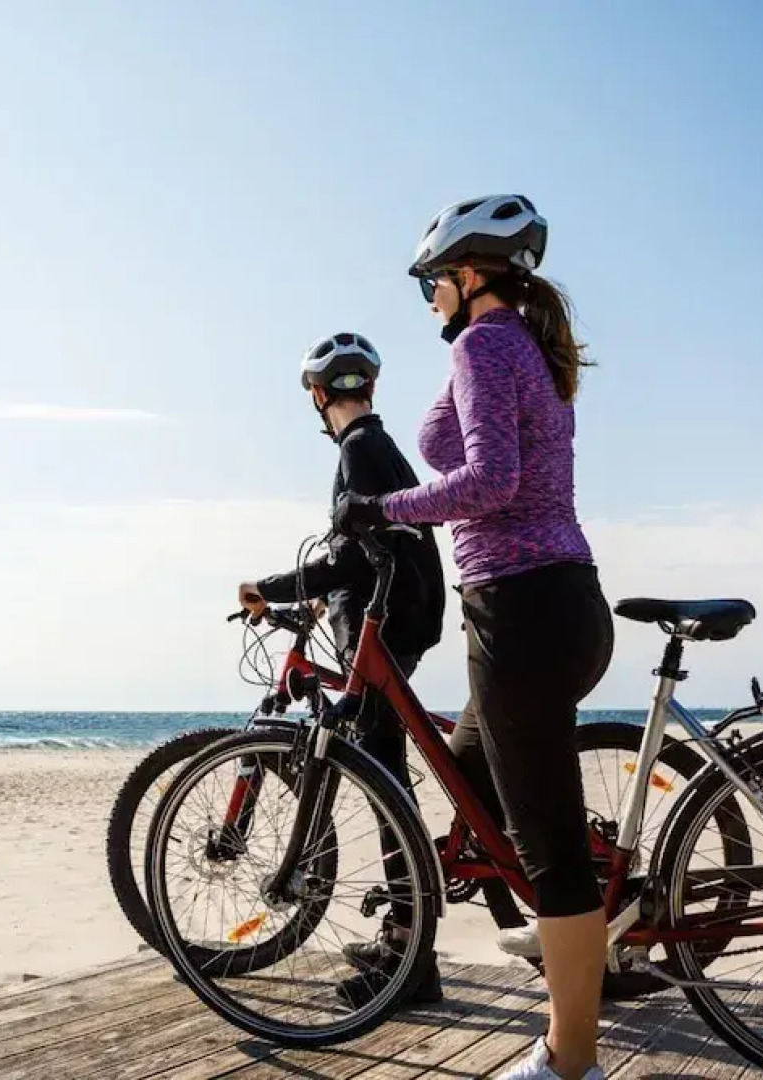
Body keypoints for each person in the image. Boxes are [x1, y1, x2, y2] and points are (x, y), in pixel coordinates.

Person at [335, 194, 614, 1080]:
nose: (426, 300)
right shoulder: (520, 345)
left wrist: (383, 508)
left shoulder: (485, 345)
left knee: (553, 858)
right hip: (548, 603)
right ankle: (589, 922)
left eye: (429, 281)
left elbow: (490, 482)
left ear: (464, 275)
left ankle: (569, 1060)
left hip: (524, 610)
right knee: (469, 776)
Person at [236, 331, 448, 1007]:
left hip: (381, 626)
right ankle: (399, 934)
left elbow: (350, 559)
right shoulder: (379, 447)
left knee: (384, 780)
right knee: (384, 769)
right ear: (371, 388)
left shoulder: (358, 452)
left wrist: (270, 586)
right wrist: (317, 594)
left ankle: (410, 957)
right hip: (400, 617)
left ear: (317, 394)